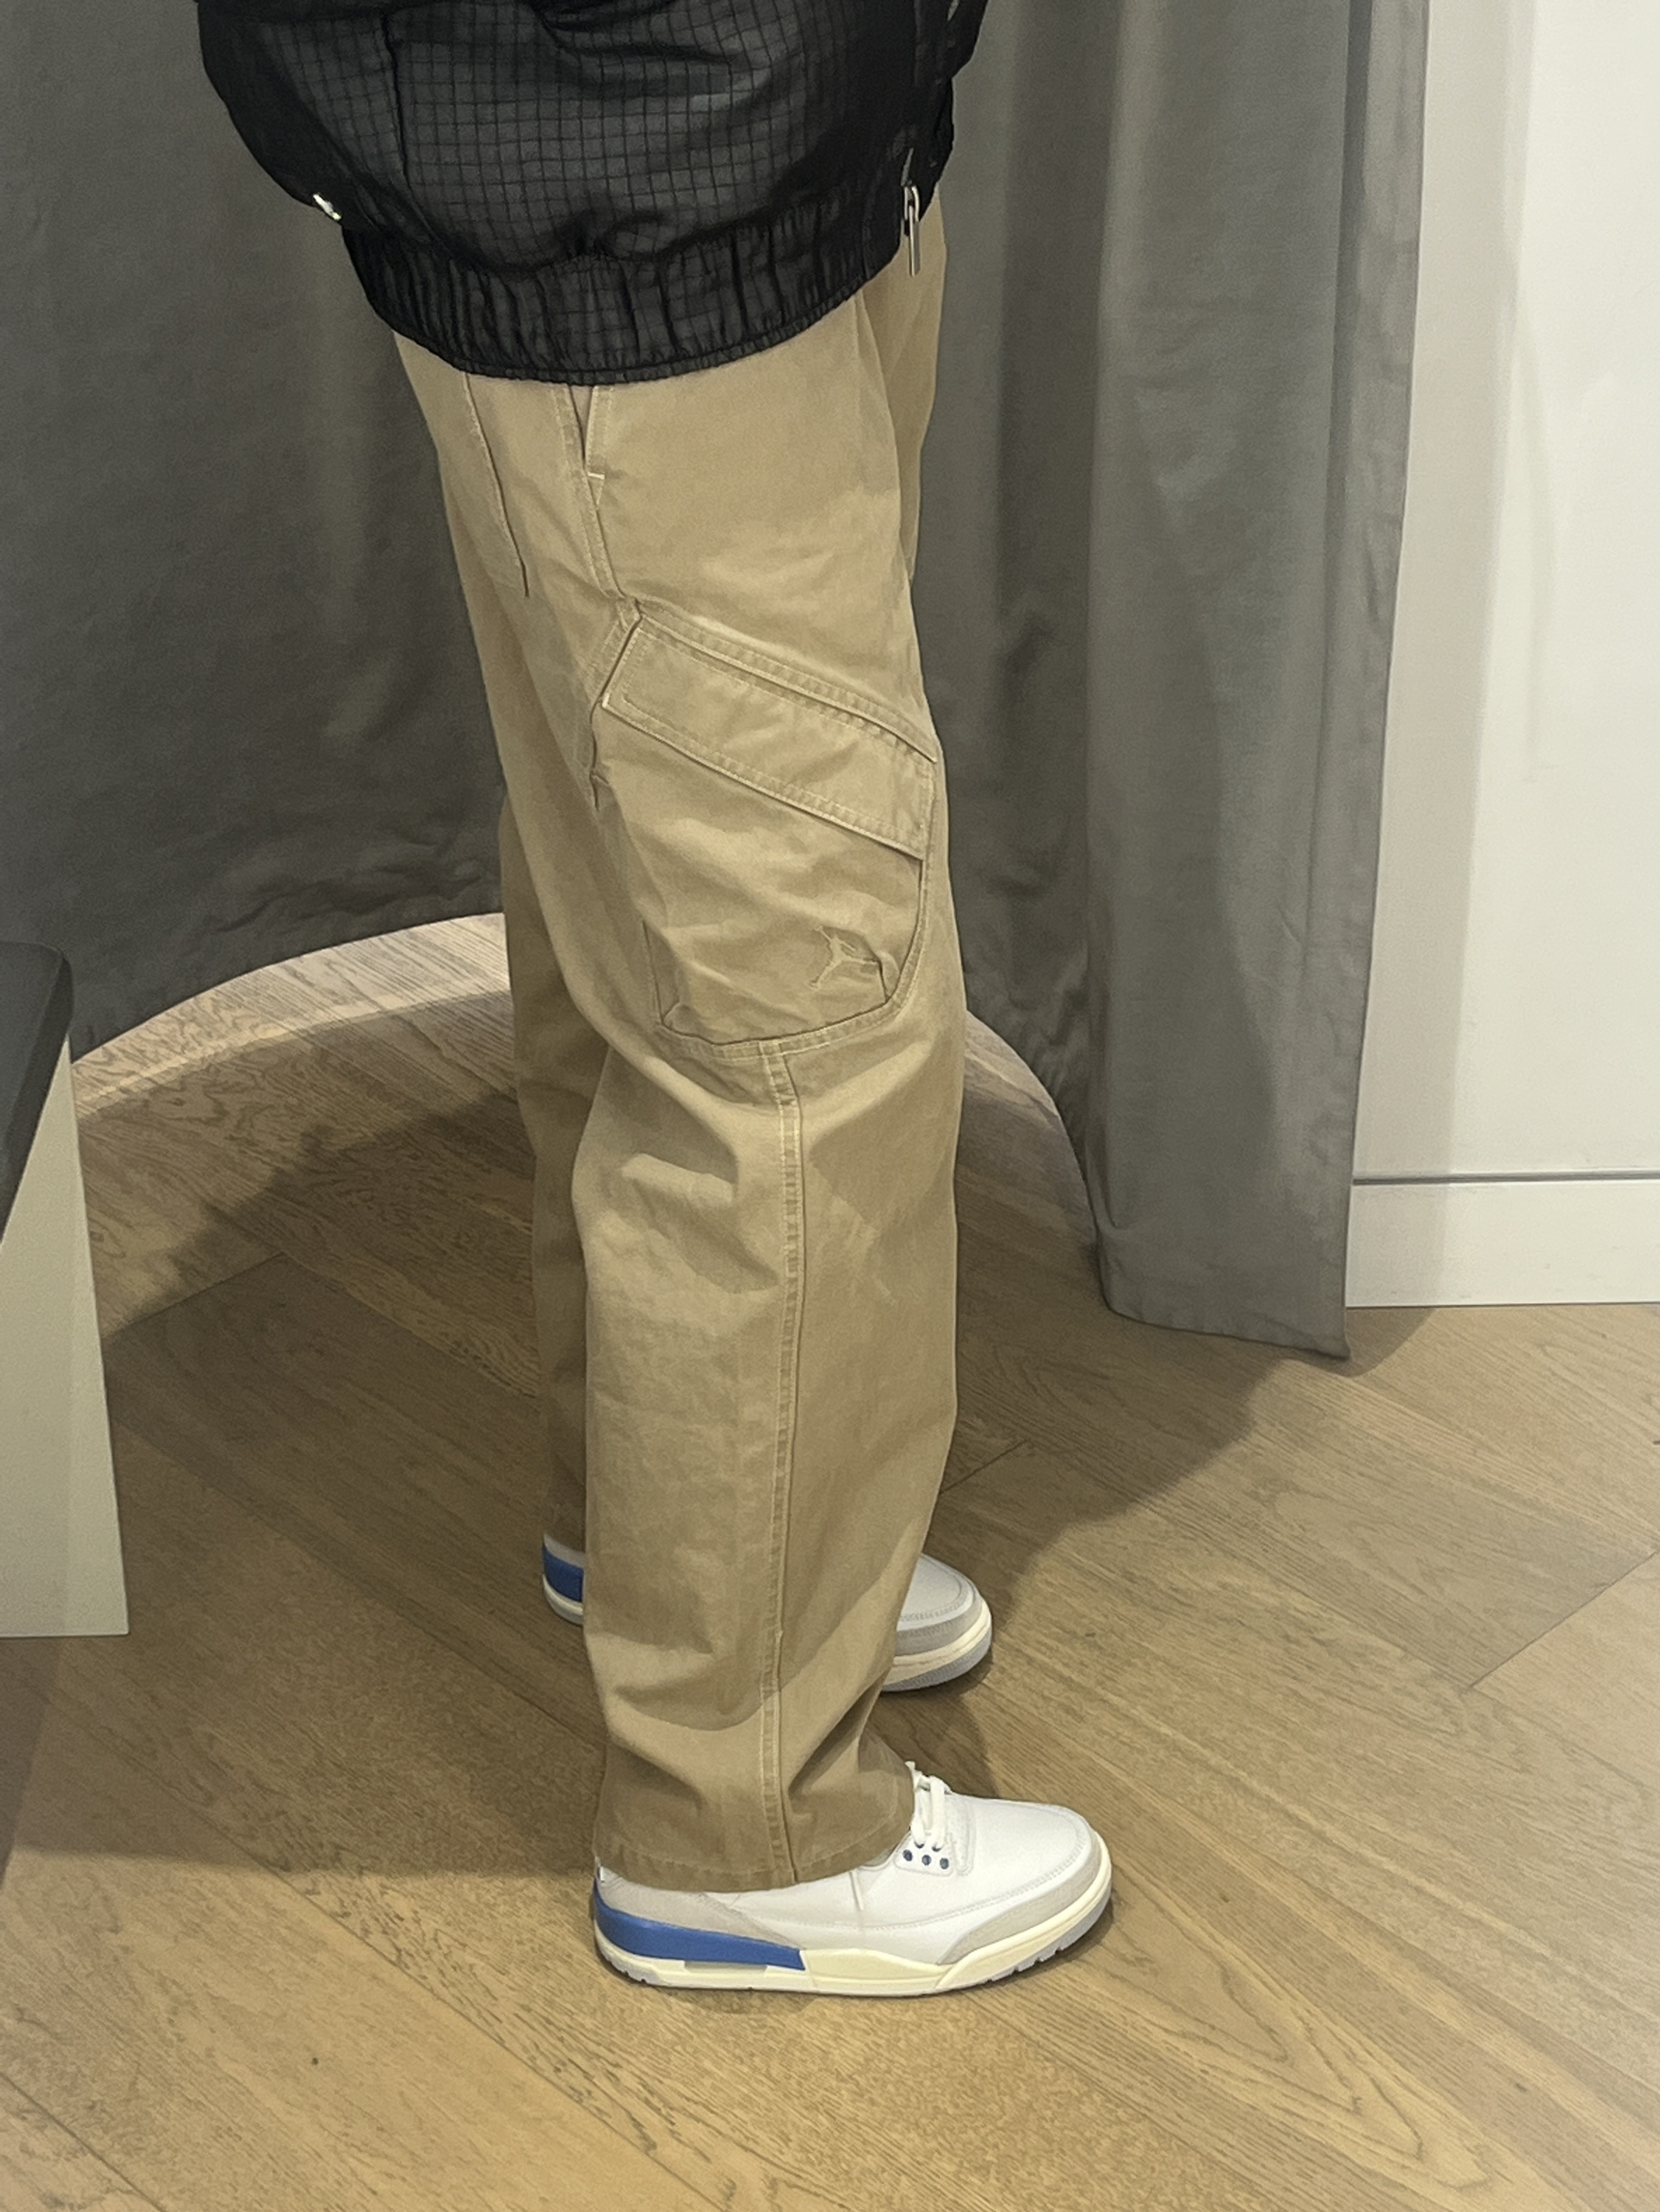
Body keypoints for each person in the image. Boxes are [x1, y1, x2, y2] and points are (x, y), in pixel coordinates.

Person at [196, 0, 1110, 1995]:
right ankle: (748, 1829)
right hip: (648, 161)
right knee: (801, 1028)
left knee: (641, 918)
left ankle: (678, 1549)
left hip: (737, 143)